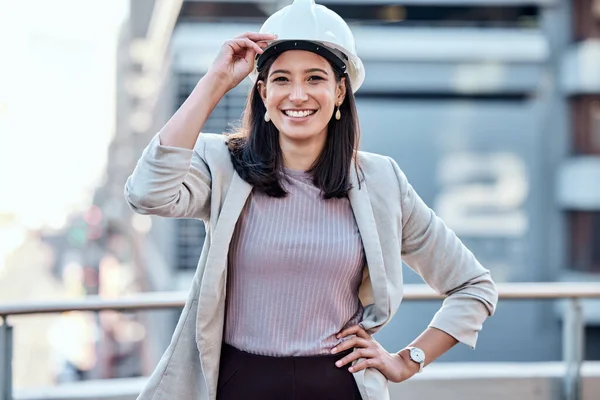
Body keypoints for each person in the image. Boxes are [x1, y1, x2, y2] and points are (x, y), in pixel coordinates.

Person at [124, 0, 498, 399]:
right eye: (282, 79)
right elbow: (147, 195)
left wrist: (408, 361)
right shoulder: (222, 165)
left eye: (315, 78)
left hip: (337, 386)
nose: (297, 95)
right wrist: (214, 81)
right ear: (263, 93)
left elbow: (473, 286)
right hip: (240, 385)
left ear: (339, 91)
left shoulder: (380, 181)